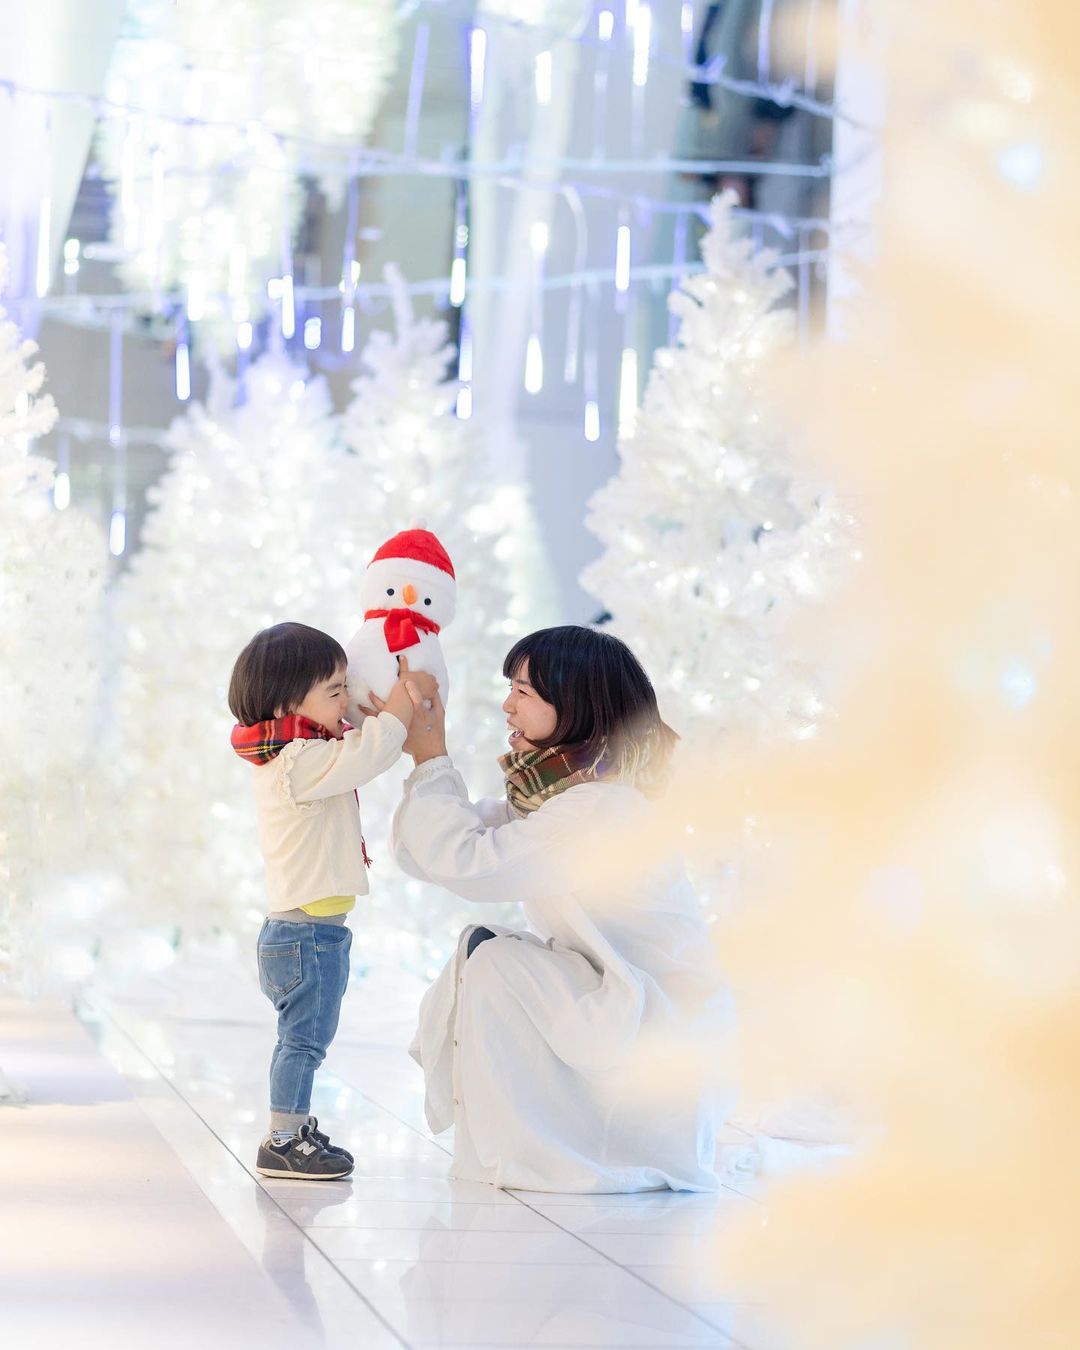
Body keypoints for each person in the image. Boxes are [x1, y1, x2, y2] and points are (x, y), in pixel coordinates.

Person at [386, 625, 724, 1193]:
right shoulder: (563, 798)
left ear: (575, 706)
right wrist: (415, 757)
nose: (507, 706)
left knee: (496, 963)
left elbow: (468, 862)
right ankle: (520, 1148)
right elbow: (432, 851)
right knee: (488, 957)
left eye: (523, 691)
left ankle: (542, 1153)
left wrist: (431, 760)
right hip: (621, 1007)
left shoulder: (601, 808)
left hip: (661, 1036)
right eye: (510, 689)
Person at [228, 621, 435, 1180]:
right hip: (306, 936)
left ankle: (291, 1127)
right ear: (286, 704)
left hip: (305, 932)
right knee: (303, 1043)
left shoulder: (299, 753)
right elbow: (371, 752)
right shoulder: (298, 761)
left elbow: (355, 744)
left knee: (301, 1041)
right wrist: (402, 700)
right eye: (335, 690)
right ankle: (283, 1138)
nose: (345, 700)